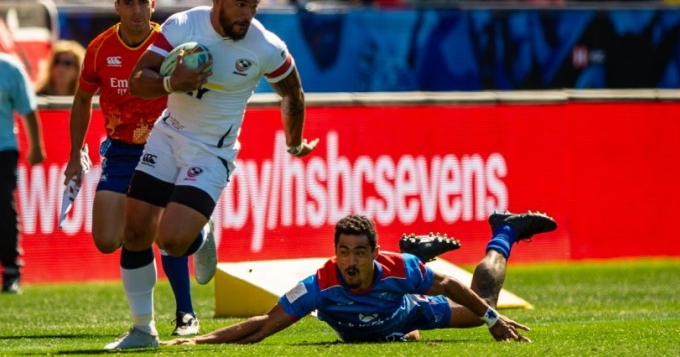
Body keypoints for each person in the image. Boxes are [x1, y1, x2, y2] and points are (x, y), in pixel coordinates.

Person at [103, 0, 319, 349]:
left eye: (252, 7)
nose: (246, 14)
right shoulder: (184, 25)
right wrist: (173, 82)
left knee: (171, 239)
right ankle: (141, 331)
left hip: (213, 151)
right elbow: (140, 79)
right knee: (134, 233)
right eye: (239, 4)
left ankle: (200, 236)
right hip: (167, 137)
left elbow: (293, 93)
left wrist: (294, 142)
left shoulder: (265, 46)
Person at [62, 0, 214, 340]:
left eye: (142, 1)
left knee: (154, 231)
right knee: (106, 239)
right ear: (116, 7)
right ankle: (201, 236)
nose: (136, 10)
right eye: (127, 2)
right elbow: (83, 98)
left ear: (153, 4)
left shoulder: (173, 42)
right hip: (121, 151)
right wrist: (74, 152)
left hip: (166, 145)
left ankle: (174, 316)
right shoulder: (100, 48)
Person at [161, 211, 557, 345]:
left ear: (374, 254)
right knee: (407, 342)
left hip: (407, 311)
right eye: (344, 252)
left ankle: (504, 230)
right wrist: (200, 339)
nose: (350, 261)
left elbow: (451, 285)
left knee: (483, 299)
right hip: (386, 327)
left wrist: (491, 319)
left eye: (360, 253)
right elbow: (263, 326)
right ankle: (417, 248)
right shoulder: (321, 284)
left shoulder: (396, 269)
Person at [0, 51, 46, 294]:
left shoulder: (9, 68)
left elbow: (28, 109)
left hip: (3, 149)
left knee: (4, 207)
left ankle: (10, 271)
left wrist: (36, 147)